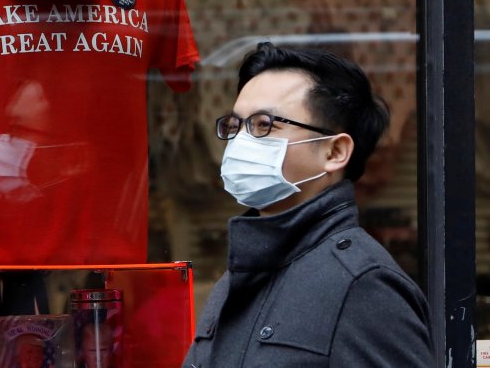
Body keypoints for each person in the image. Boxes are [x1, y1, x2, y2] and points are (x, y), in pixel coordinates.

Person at [183, 42, 433, 367]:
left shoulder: (364, 285)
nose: (240, 142)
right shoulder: (236, 277)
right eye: (235, 126)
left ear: (334, 152)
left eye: (264, 125)